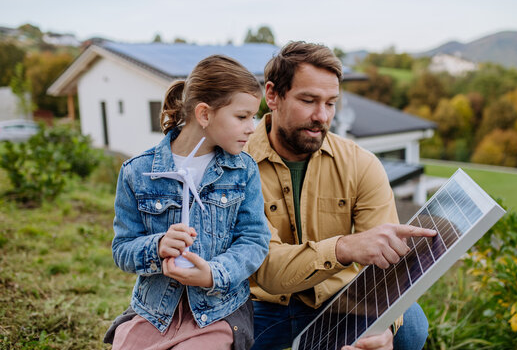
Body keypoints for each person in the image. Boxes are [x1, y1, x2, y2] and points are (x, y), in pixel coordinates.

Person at [245, 41, 437, 350]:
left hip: (337, 299)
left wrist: (383, 329)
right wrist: (344, 248)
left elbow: (387, 273)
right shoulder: (235, 163)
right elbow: (268, 270)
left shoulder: (360, 164)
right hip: (259, 305)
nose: (322, 116)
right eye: (308, 100)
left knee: (409, 323)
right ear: (272, 95)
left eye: (331, 103)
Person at [107, 55, 271, 350]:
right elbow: (122, 250)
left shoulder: (243, 170)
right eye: (242, 117)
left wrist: (212, 273)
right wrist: (156, 247)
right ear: (204, 114)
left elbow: (255, 240)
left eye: (253, 117)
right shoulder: (138, 172)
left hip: (218, 311)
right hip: (155, 312)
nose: (253, 127)